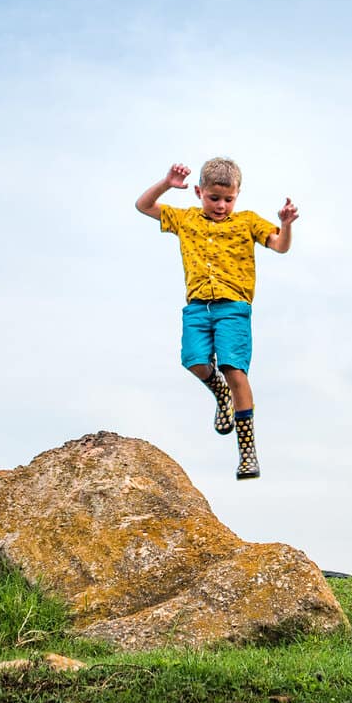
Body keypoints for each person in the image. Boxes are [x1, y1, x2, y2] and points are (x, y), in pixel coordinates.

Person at [133, 157, 297, 479]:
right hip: (197, 307)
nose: (221, 205)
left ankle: (247, 451)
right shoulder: (185, 219)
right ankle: (222, 395)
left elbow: (280, 246)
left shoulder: (248, 222)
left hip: (232, 307)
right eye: (214, 198)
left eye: (228, 199)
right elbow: (143, 205)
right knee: (194, 361)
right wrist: (167, 184)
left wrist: (286, 224)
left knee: (233, 368)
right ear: (199, 192)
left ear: (237, 195)